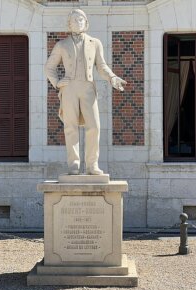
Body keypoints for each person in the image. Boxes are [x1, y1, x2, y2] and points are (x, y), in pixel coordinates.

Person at [45, 9, 126, 175]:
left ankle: (92, 165)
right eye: (74, 19)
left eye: (81, 19)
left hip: (88, 88)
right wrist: (58, 82)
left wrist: (112, 78)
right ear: (69, 24)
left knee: (94, 127)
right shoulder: (61, 45)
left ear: (86, 22)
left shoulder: (94, 43)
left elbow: (101, 66)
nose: (77, 21)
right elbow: (49, 67)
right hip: (69, 89)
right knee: (70, 127)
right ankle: (73, 165)